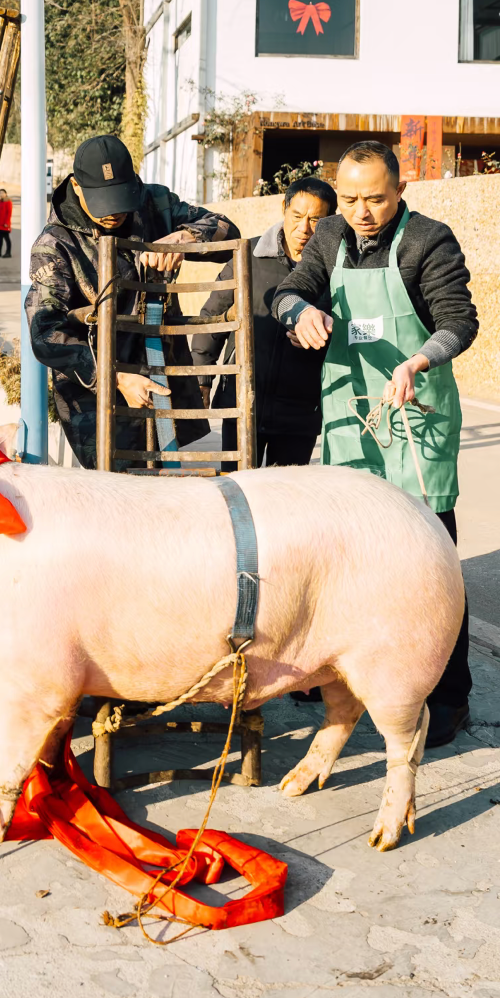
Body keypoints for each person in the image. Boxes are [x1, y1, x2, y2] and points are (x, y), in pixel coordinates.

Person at [272, 140, 477, 748]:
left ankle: (449, 695)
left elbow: (458, 320)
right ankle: (342, 677)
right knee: (349, 557)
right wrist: (297, 311)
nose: (361, 212)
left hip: (416, 414)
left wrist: (418, 360)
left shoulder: (428, 241)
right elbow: (287, 290)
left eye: (376, 199)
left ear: (400, 190)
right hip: (350, 413)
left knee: (432, 559)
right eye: (351, 198)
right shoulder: (330, 235)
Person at [25, 133, 239, 469]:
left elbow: (228, 232)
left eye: (120, 199)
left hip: (160, 363)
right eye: (103, 202)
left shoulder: (154, 203)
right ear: (77, 187)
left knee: (164, 473)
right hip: (95, 386)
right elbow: (45, 333)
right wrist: (114, 377)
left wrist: (185, 237)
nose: (114, 213)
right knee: (116, 483)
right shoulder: (54, 245)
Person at [193, 177, 337, 471]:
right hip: (242, 403)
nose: (304, 228)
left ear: (331, 221)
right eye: (297, 216)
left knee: (286, 494)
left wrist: (324, 336)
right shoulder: (247, 255)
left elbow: (347, 329)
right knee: (236, 487)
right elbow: (212, 317)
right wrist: (201, 379)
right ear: (284, 208)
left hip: (300, 411)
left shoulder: (337, 269)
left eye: (316, 220)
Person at [0, 188, 12, 258]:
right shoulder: (0, 202)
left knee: (7, 239)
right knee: (0, 239)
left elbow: (9, 213)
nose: (1, 194)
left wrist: (6, 222)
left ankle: (8, 252)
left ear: (6, 194)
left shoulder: (8, 202)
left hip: (4, 224)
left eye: (2, 193)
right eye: (0, 193)